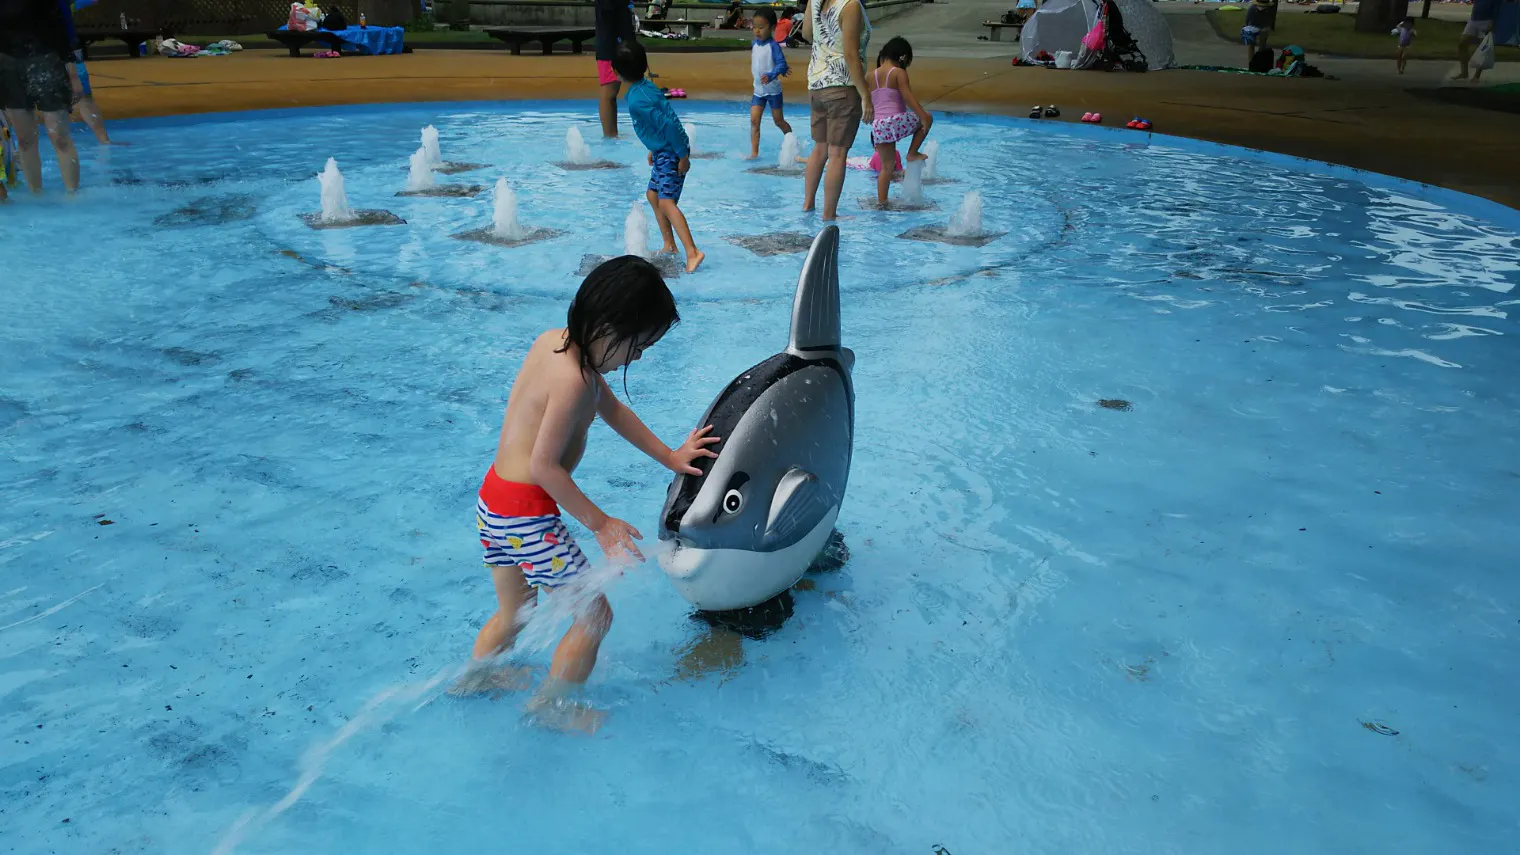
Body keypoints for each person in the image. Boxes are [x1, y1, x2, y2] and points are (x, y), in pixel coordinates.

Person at [465, 256, 720, 732]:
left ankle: (476, 679)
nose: (638, 357)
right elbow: (544, 466)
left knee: (514, 611)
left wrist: (670, 456)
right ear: (608, 328)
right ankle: (552, 706)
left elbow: (613, 409)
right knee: (594, 616)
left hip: (494, 501)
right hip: (527, 513)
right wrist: (600, 523)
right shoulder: (575, 381)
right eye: (638, 345)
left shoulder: (554, 345)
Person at [616, 42, 705, 274]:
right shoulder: (646, 88)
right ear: (645, 66)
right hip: (664, 151)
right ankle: (669, 245)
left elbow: (668, 124)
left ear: (616, 72)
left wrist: (682, 155)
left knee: (667, 202)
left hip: (671, 152)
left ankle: (692, 252)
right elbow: (661, 122)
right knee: (653, 194)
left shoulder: (637, 100)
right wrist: (654, 148)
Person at [0, 0, 81, 193]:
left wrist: (74, 76)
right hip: (9, 68)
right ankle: (36, 195)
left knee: (59, 136)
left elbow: (62, 31)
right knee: (25, 140)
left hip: (47, 61)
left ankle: (73, 194)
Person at [802, 0, 871, 221]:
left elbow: (806, 34)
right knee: (838, 153)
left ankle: (808, 205)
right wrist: (865, 95)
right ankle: (829, 215)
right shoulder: (849, 5)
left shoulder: (814, 1)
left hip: (817, 84)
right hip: (842, 87)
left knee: (819, 149)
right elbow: (851, 55)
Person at [868, 36, 931, 208]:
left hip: (878, 127)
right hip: (895, 122)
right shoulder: (898, 73)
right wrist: (923, 116)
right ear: (902, 56)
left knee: (886, 168)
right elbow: (907, 96)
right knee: (928, 117)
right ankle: (912, 152)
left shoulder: (870, 75)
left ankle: (882, 202)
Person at [59, 0, 110, 144]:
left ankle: (104, 139)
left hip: (66, 48)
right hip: (56, 49)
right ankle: (103, 139)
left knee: (84, 97)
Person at [748, 9, 793, 160]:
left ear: (772, 28)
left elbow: (781, 63)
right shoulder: (754, 44)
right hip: (758, 90)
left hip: (773, 91)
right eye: (754, 26)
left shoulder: (773, 45)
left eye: (761, 27)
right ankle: (754, 153)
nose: (757, 30)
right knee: (754, 121)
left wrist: (772, 74)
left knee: (778, 121)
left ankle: (791, 140)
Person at [594, 0, 638, 137]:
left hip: (619, 43)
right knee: (609, 91)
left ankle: (612, 135)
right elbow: (608, 15)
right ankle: (609, 136)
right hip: (611, 45)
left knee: (613, 92)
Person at [1456, 0, 1500, 82]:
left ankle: (1476, 76)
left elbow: (1498, 9)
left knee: (1482, 48)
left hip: (1487, 21)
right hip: (1473, 20)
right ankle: (1464, 73)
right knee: (1462, 44)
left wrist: (1493, 23)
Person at [1240, 0, 1275, 67]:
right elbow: (1270, 20)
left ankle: (1251, 62)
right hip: (1263, 28)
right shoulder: (1269, 9)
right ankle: (1259, 61)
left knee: (1251, 46)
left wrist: (1247, 26)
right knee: (1261, 45)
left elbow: (1247, 20)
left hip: (1253, 27)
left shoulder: (1252, 8)